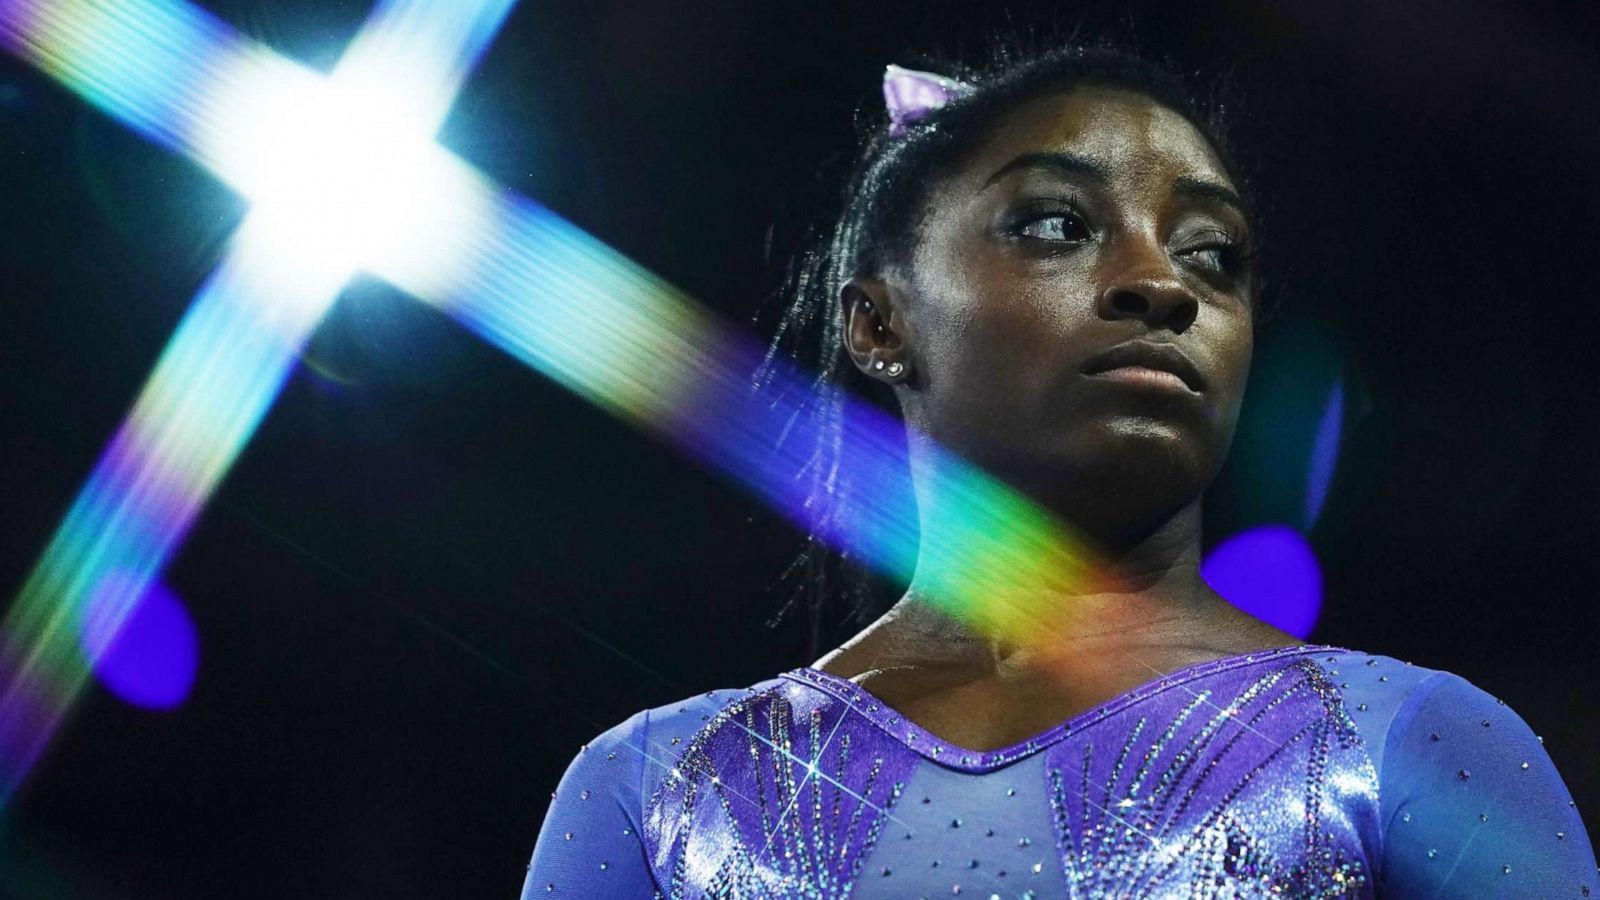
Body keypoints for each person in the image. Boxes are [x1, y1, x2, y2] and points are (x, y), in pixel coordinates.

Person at [521, 42, 1596, 898]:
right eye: (1057, 224)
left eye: (1210, 254)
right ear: (880, 323)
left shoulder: (1407, 746)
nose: (1160, 286)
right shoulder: (662, 787)